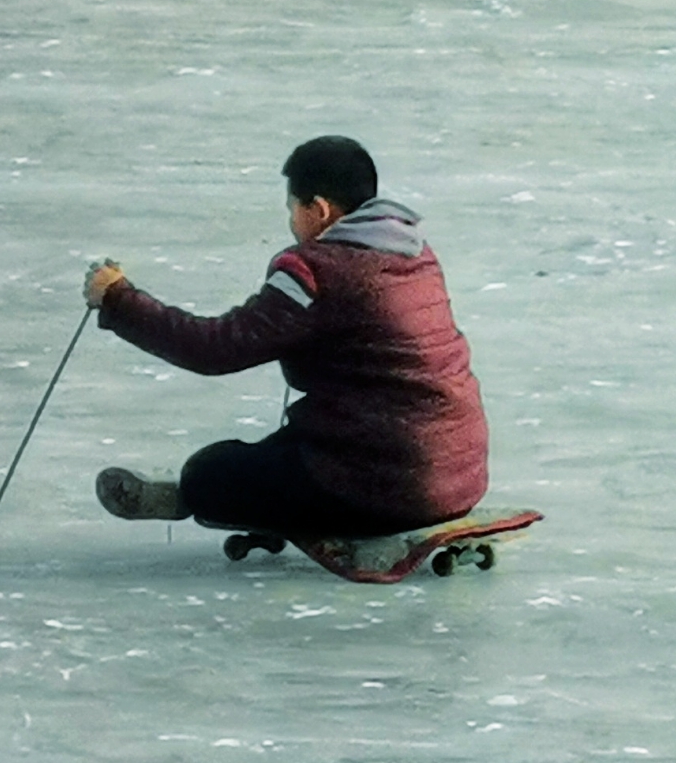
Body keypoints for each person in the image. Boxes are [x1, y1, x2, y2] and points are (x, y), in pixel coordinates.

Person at [82, 135, 489, 541]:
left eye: (293, 208)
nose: (292, 221)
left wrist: (119, 300)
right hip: (459, 475)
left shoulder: (316, 270)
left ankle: (191, 492)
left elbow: (214, 348)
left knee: (212, 470)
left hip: (387, 484)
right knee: (279, 451)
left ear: (319, 209)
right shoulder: (414, 254)